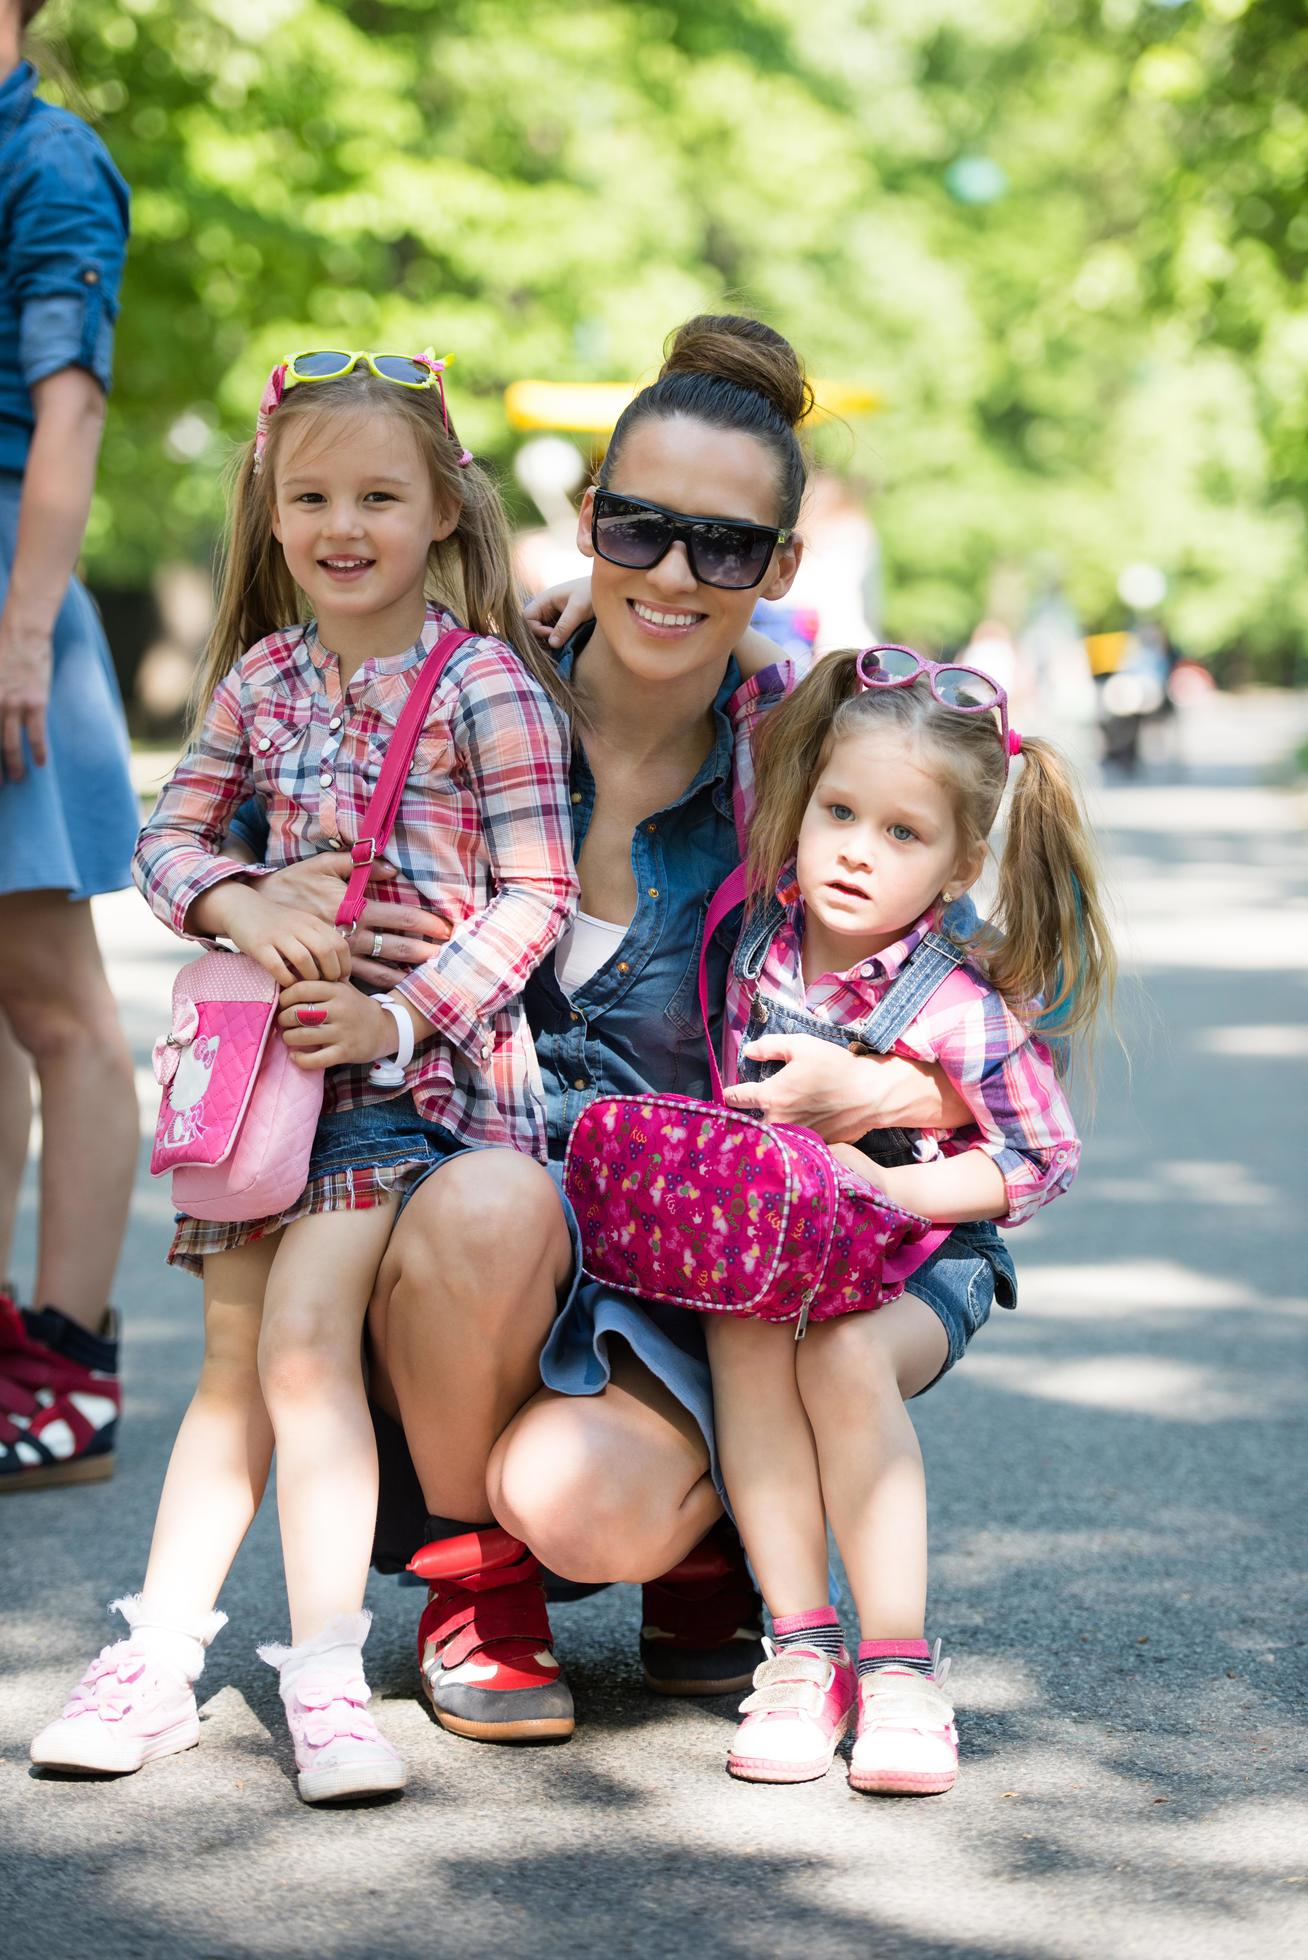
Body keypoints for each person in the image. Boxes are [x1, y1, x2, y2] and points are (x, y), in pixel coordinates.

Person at [342, 316, 989, 1745]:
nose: (676, 574)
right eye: (640, 531)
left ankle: (707, 1547)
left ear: (781, 572)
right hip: (491, 1246)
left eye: (728, 549)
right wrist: (284, 904)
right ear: (589, 527)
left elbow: (1008, 1029)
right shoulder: (461, 714)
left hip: (715, 1273)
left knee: (583, 1493)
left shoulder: (811, 759)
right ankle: (478, 1588)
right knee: (492, 1201)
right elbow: (259, 791)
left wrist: (868, 1079)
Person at [30, 350, 578, 1804]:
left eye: (380, 496)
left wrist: (401, 1027)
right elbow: (167, 842)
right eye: (313, 494)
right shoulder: (262, 681)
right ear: (270, 514)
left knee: (299, 1350)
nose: (345, 524)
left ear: (446, 514)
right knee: (227, 1374)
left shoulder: (486, 689)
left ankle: (327, 1673)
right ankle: (156, 1658)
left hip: (409, 1089)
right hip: (259, 1091)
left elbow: (535, 897)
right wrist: (242, 906)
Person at [705, 644, 1113, 1795]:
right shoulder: (764, 938)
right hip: (784, 1248)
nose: (854, 850)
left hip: (926, 1259)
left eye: (901, 833)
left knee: (838, 1355)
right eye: (839, 811)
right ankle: (802, 1648)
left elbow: (1038, 1156)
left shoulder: (952, 997)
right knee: (741, 1338)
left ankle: (897, 1665)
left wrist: (894, 1188)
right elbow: (766, 694)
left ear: (958, 861)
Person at [0, 0, 138, 1492]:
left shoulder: (47, 158)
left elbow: (72, 406)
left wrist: (24, 629)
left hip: (3, 593)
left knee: (59, 1006)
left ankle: (71, 1365)